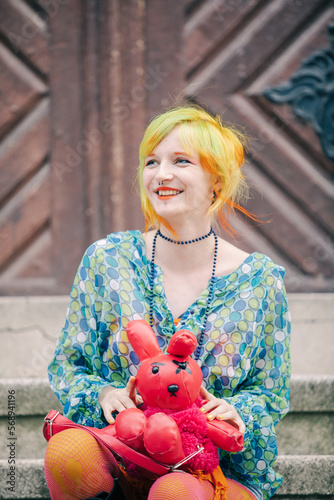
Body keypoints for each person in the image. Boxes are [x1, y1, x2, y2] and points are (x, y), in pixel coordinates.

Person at [44, 105, 291, 500]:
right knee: (67, 454)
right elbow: (68, 364)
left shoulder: (260, 282)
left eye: (181, 161)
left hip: (209, 468)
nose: (161, 175)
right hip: (122, 448)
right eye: (151, 162)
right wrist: (105, 395)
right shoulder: (108, 260)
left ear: (216, 180)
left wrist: (235, 410)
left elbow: (270, 391)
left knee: (175, 493)